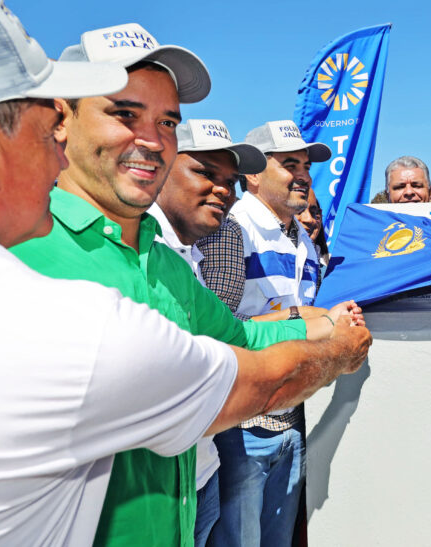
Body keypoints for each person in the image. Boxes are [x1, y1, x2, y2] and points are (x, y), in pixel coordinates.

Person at [0, 3, 371, 545]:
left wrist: (322, 323)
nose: (153, 138)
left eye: (167, 122)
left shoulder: (160, 254)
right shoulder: (19, 251)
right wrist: (337, 350)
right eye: (125, 114)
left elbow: (240, 337)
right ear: (62, 119)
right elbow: (256, 378)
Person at [206, 119, 332, 546]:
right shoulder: (231, 230)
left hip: (293, 424)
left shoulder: (305, 240)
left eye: (306, 166)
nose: (302, 175)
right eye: (289, 163)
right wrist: (300, 319)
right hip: (241, 429)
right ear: (253, 175)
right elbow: (216, 329)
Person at [147, 118, 267, 546]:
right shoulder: (141, 252)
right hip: (155, 488)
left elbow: (235, 335)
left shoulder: (186, 253)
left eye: (230, 181)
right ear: (158, 167)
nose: (223, 190)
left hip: (202, 471)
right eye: (204, 172)